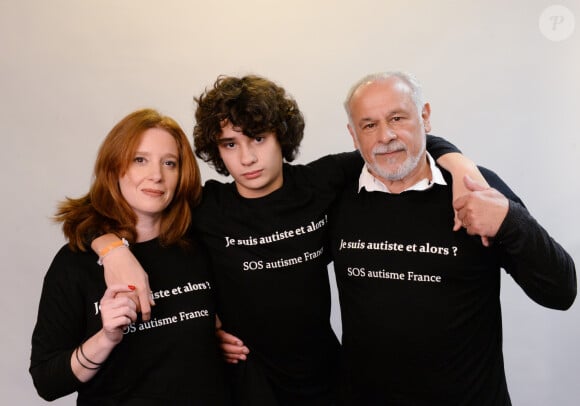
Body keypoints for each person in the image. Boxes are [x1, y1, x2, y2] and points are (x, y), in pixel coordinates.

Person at [91, 75, 485, 406]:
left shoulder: (321, 182)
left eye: (258, 139)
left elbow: (397, 144)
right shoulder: (206, 205)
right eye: (231, 144)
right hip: (246, 381)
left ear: (281, 137)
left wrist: (460, 164)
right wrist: (112, 251)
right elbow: (101, 212)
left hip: (327, 378)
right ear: (217, 150)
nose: (246, 158)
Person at [329, 71, 577, 405]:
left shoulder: (475, 187)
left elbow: (561, 291)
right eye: (369, 125)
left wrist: (510, 221)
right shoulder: (336, 192)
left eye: (397, 118)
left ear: (425, 117)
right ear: (353, 134)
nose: (385, 136)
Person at [29, 109, 229, 404]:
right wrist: (106, 338)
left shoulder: (200, 243)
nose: (156, 175)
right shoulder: (76, 262)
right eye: (140, 160)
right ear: (115, 168)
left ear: (181, 174)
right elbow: (47, 382)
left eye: (169, 163)